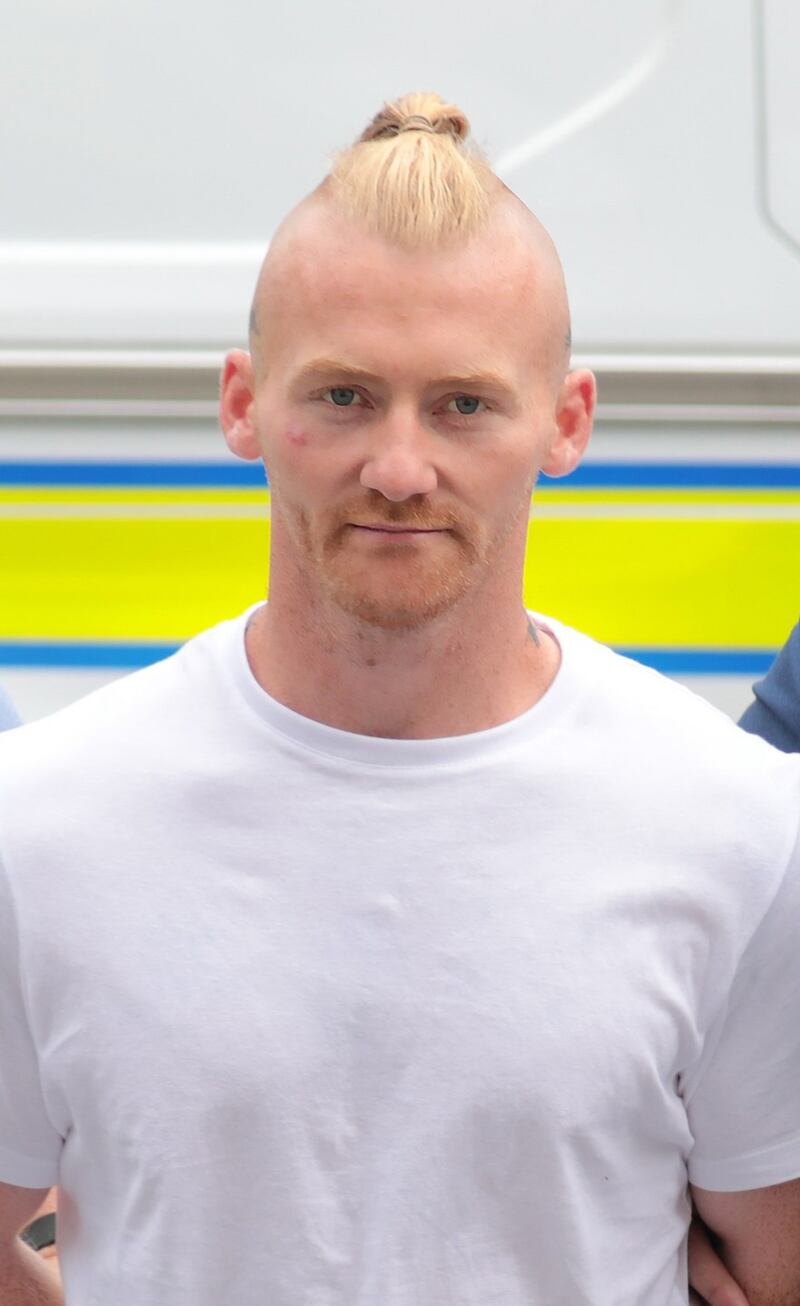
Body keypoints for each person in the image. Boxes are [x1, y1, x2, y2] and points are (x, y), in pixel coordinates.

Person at [1, 92, 799, 1306]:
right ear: (241, 404)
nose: (399, 466)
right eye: (343, 396)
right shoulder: (43, 824)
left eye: (463, 404)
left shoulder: (739, 829)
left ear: (565, 422)